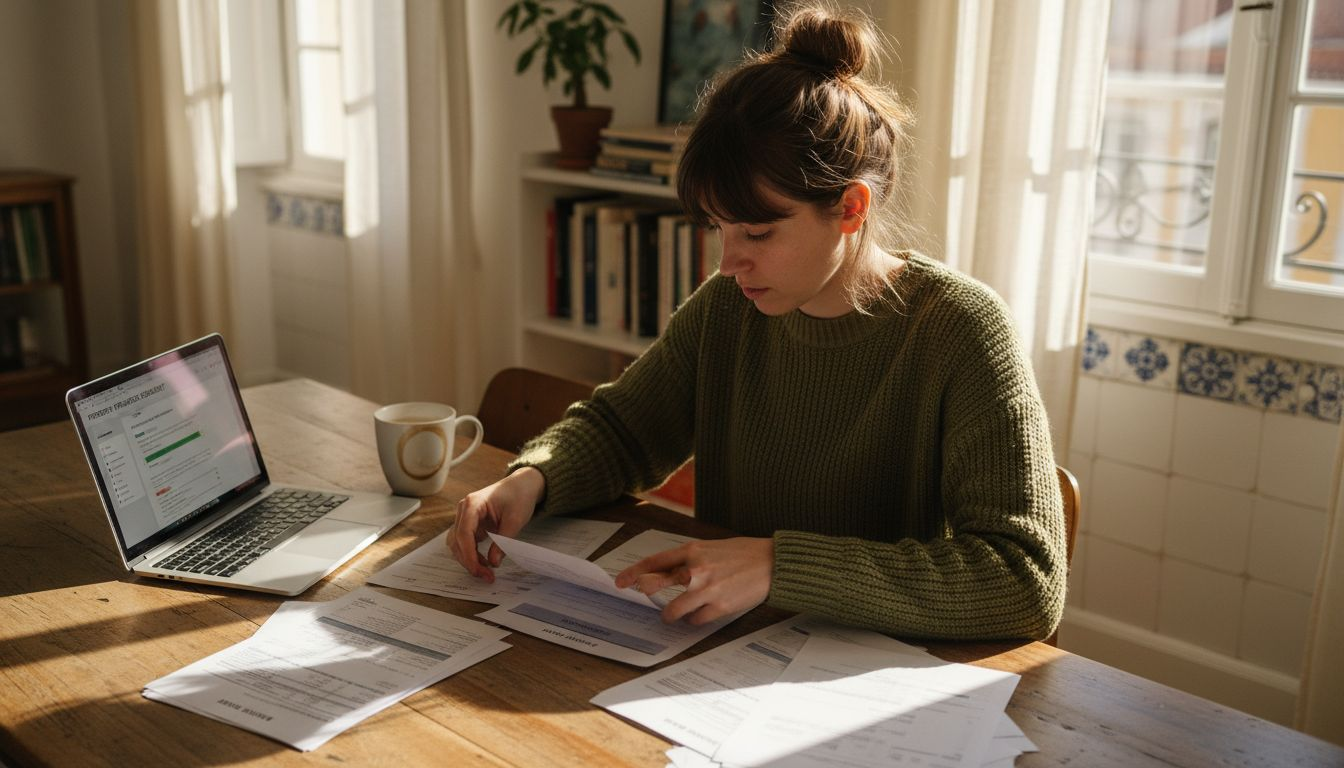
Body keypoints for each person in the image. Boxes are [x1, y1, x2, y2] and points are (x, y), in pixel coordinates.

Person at [451, 3, 1067, 640]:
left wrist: (779, 564)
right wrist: (533, 477)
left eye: (757, 231)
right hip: (727, 648)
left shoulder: (962, 331)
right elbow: (624, 428)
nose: (728, 263)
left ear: (852, 206)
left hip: (872, 678)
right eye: (719, 228)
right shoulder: (731, 306)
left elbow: (1022, 579)